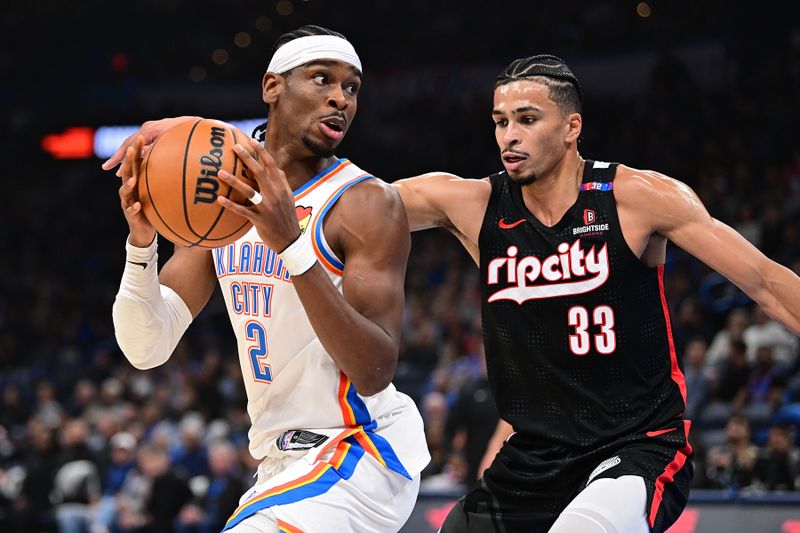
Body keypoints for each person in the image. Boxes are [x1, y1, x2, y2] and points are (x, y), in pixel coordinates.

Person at [392, 55, 800, 532]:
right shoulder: (474, 204)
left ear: (571, 127)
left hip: (636, 446)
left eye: (526, 119)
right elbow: (359, 206)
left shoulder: (637, 197)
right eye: (501, 122)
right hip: (535, 457)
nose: (509, 136)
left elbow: (764, 282)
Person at [103, 25, 429, 532]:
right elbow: (147, 347)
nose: (339, 98)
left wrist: (292, 247)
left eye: (351, 88)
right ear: (272, 87)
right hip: (280, 461)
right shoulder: (220, 197)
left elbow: (374, 369)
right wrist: (141, 245)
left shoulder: (365, 202)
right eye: (322, 79)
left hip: (359, 447)